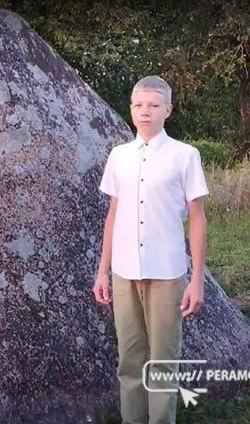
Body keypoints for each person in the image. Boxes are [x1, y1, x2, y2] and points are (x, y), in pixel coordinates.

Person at [93, 75, 209, 424]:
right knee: (129, 362)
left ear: (167, 110)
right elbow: (113, 214)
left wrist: (197, 279)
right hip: (124, 272)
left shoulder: (185, 156)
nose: (145, 112)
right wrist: (103, 270)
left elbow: (198, 218)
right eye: (139, 105)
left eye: (154, 105)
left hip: (167, 272)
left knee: (162, 363)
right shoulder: (119, 156)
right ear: (131, 109)